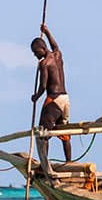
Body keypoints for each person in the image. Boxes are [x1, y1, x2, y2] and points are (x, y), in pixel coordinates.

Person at [30, 22, 72, 178]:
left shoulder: (44, 63)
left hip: (53, 99)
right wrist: (47, 31)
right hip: (65, 99)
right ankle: (70, 163)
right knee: (64, 132)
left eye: (36, 52)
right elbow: (55, 45)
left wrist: (36, 96)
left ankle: (44, 166)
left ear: (42, 49)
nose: (35, 56)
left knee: (43, 133)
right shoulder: (58, 55)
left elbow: (43, 85)